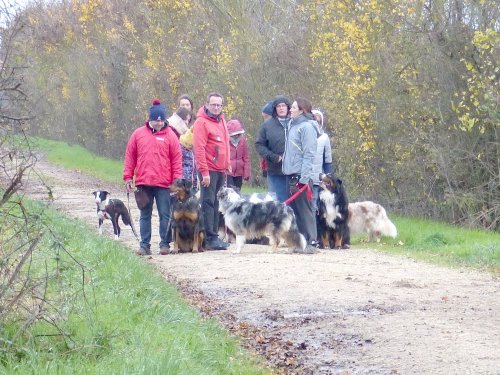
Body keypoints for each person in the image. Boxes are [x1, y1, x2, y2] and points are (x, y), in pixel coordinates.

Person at [124, 99, 183, 256]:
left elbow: (177, 161)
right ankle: (144, 245)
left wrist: (177, 183)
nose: (158, 123)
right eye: (156, 120)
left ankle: (164, 244)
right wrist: (128, 177)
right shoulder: (138, 134)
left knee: (165, 214)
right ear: (150, 119)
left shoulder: (171, 136)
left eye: (161, 120)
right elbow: (130, 157)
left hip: (164, 184)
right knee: (145, 215)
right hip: (144, 182)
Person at [193, 92, 230, 250]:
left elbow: (226, 143)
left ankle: (214, 235)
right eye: (213, 104)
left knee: (216, 203)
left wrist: (227, 163)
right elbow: (199, 148)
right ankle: (208, 237)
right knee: (208, 202)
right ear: (207, 104)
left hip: (221, 169)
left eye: (219, 105)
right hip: (209, 169)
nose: (216, 108)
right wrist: (204, 172)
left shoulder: (221, 120)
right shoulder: (201, 122)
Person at [282, 97, 320, 254]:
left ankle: (312, 241)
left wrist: (304, 178)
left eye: (294, 107)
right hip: (290, 174)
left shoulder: (307, 128)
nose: (290, 109)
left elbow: (309, 154)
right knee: (296, 210)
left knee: (305, 210)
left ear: (302, 110)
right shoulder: (292, 125)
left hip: (301, 176)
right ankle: (301, 241)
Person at [255, 95, 291, 202]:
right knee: (277, 203)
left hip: (294, 171)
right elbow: (259, 145)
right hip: (275, 171)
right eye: (278, 106)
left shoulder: (295, 123)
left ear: (288, 107)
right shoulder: (267, 126)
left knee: (294, 204)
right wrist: (273, 157)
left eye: (283, 105)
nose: (281, 108)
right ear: (275, 109)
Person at [311, 109, 333, 214]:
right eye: (313, 120)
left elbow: (327, 160)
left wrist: (328, 177)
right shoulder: (302, 134)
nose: (316, 123)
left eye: (318, 121)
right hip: (302, 178)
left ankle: (314, 228)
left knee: (314, 203)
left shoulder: (324, 138)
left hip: (317, 178)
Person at [227, 119, 251, 191]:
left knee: (237, 194)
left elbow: (246, 158)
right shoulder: (225, 142)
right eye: (235, 134)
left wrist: (246, 174)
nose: (236, 136)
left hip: (239, 174)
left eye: (238, 134)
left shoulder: (243, 141)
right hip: (228, 173)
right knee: (230, 194)